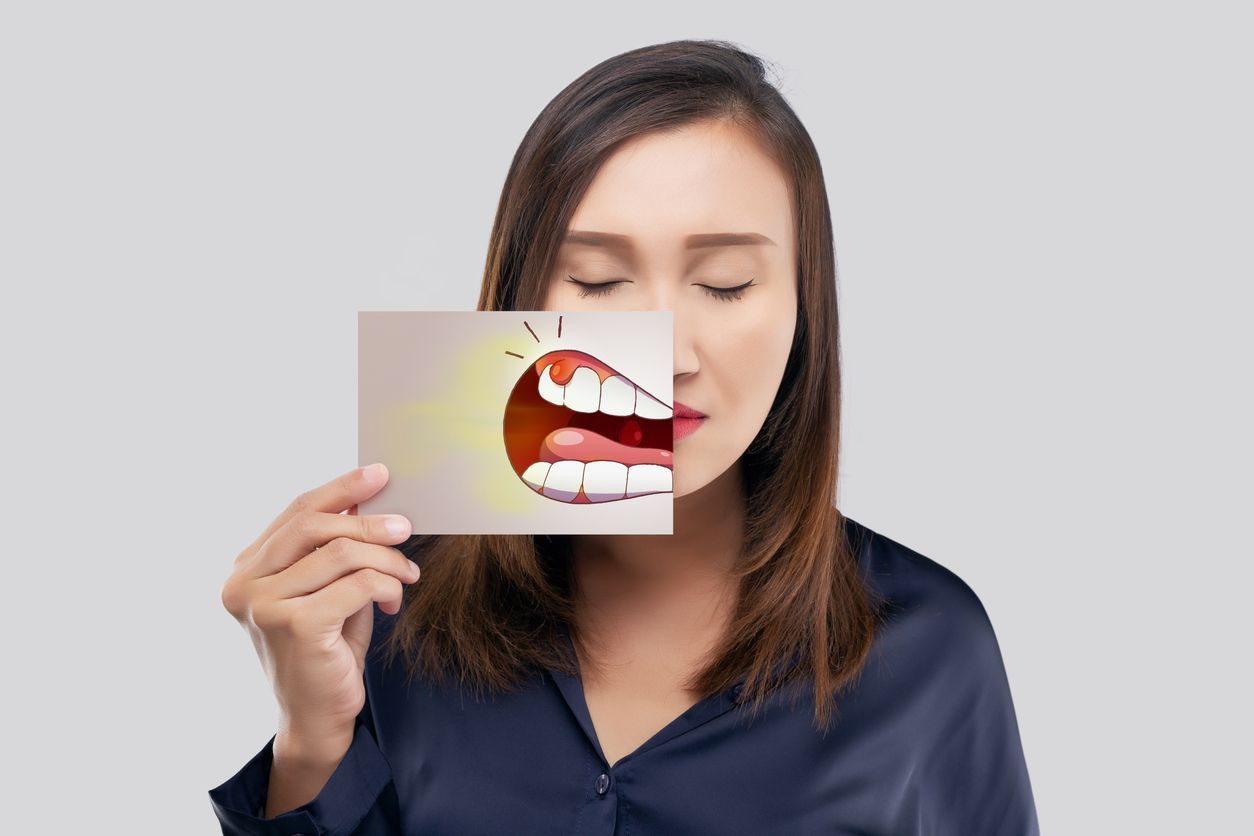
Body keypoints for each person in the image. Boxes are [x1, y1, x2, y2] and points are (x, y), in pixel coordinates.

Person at [209, 39, 1039, 834]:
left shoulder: (931, 646)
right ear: (519, 299)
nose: (667, 358)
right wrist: (312, 745)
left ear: (803, 312)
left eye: (726, 284)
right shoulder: (395, 613)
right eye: (599, 281)